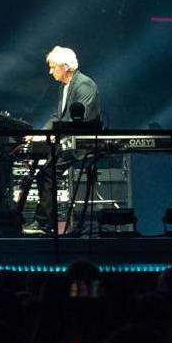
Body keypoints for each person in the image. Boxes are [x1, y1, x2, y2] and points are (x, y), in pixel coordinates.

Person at [14, 46, 103, 232]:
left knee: (46, 174)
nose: (50, 71)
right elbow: (58, 116)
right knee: (45, 174)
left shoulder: (84, 85)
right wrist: (40, 135)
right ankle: (44, 221)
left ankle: (47, 224)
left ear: (65, 66)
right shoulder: (64, 87)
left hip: (81, 143)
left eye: (53, 67)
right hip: (67, 140)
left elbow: (79, 121)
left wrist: (50, 136)